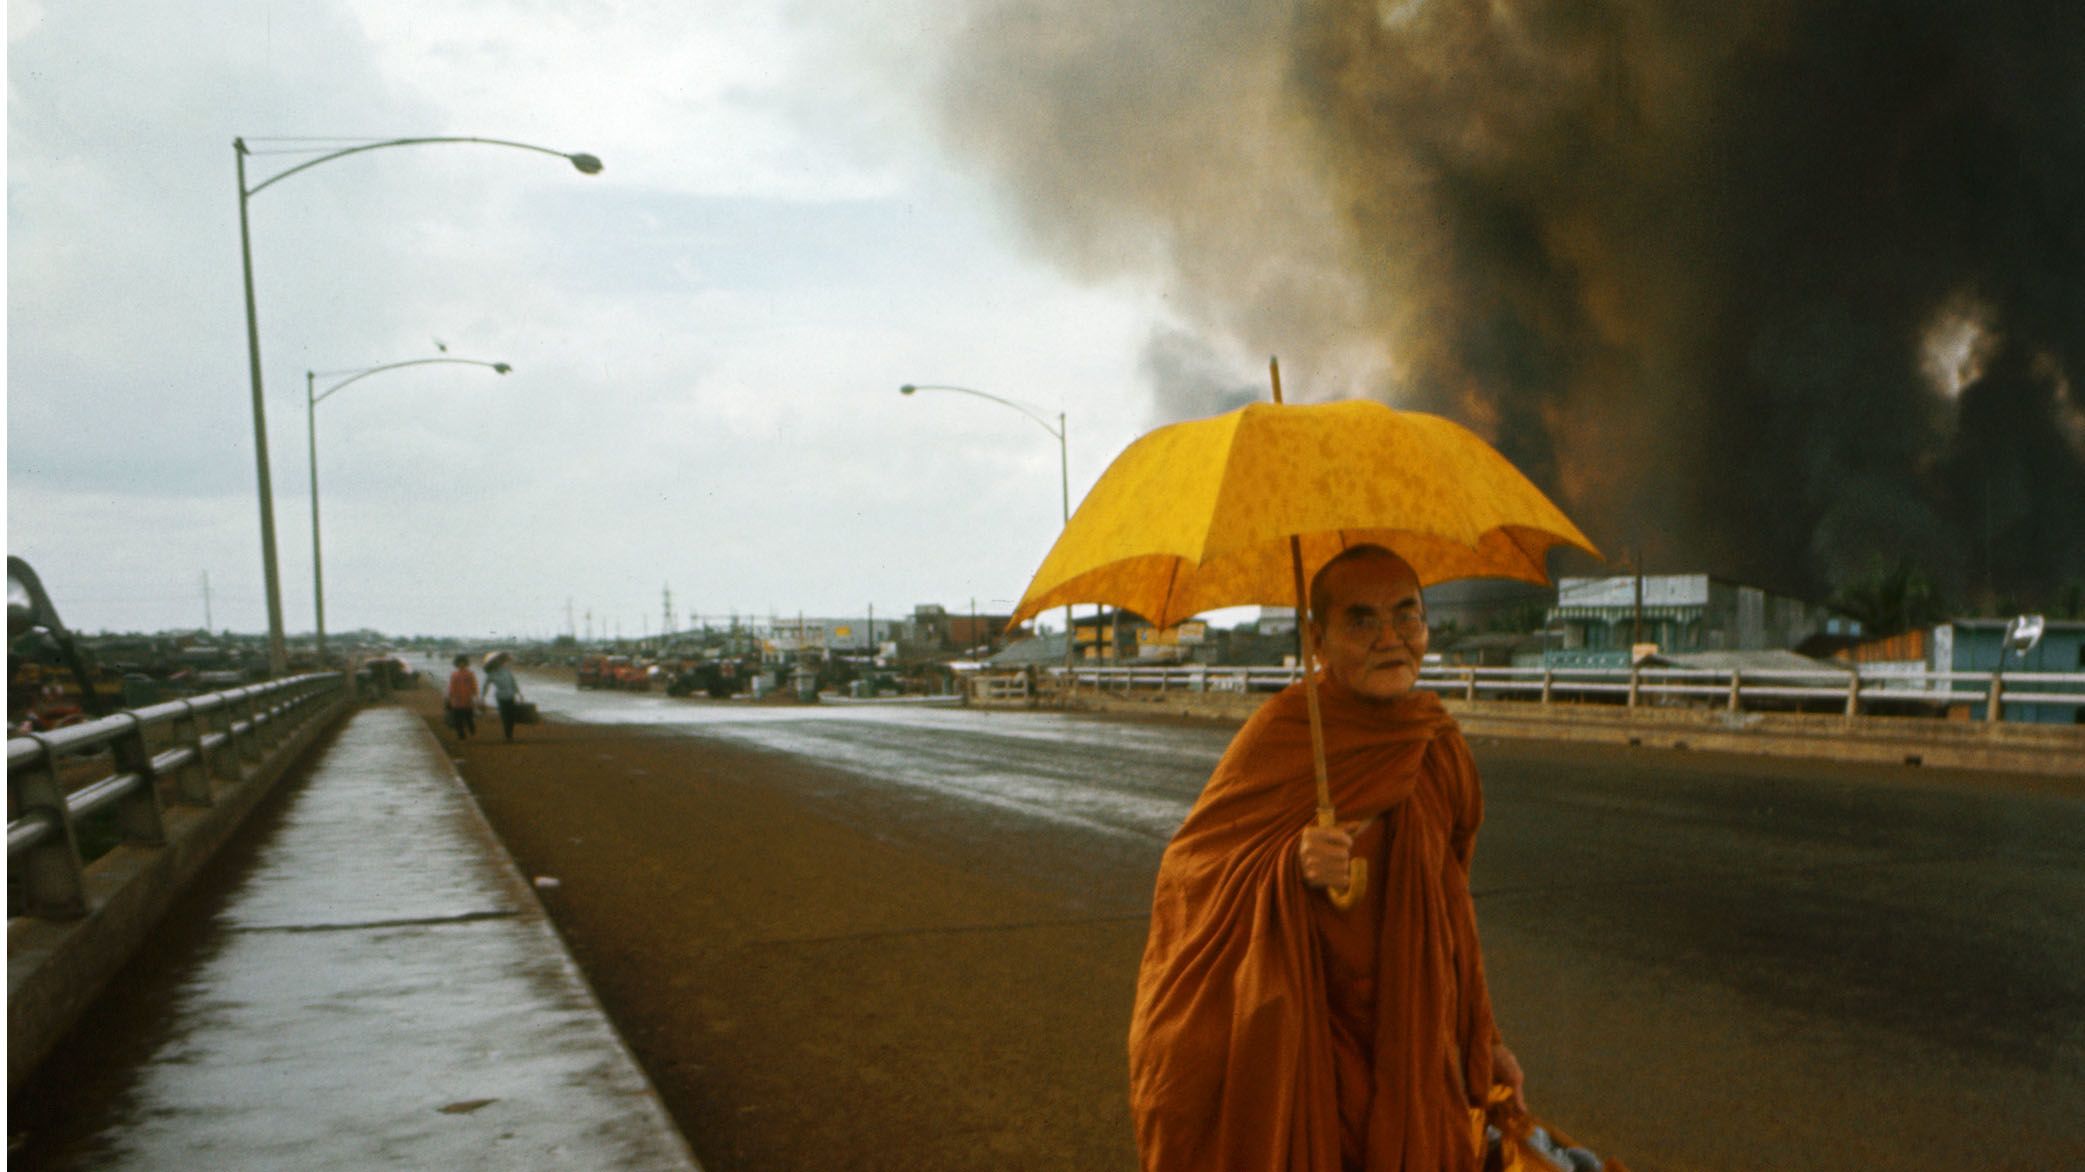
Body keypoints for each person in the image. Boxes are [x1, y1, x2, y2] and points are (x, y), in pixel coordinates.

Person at [1128, 544, 1525, 1172]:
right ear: (1317, 639)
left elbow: (1451, 915)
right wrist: (1289, 867)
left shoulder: (1436, 744)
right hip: (1313, 1042)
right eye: (1361, 621)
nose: (1391, 639)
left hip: (1410, 1042)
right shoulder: (1282, 734)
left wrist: (1487, 1039)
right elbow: (1190, 877)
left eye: (1407, 615)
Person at [482, 651, 524, 742]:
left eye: (499, 661)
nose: (499, 663)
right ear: (493, 663)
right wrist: (482, 698)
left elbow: (513, 682)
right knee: (505, 716)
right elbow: (485, 686)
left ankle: (509, 734)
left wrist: (519, 694)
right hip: (501, 697)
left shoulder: (507, 670)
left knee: (512, 716)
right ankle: (508, 735)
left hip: (511, 695)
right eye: (496, 662)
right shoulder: (491, 674)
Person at [444, 654, 478, 741]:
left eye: (463, 663)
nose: (461, 664)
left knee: (469, 718)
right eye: (459, 663)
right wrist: (449, 697)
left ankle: (472, 730)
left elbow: (474, 686)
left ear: (466, 663)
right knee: (458, 719)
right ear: (457, 664)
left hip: (467, 699)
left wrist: (476, 697)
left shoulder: (470, 674)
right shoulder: (454, 674)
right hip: (456, 700)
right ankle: (461, 736)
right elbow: (451, 687)